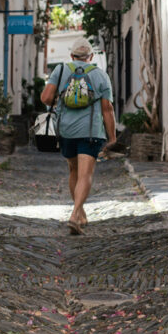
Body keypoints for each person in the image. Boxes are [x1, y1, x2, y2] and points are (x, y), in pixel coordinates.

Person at [41, 37, 117, 235]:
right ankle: (75, 214)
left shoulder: (60, 70)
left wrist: (59, 99)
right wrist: (112, 137)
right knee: (85, 174)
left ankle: (80, 213)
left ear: (71, 55)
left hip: (66, 131)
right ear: (90, 57)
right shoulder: (100, 75)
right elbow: (107, 109)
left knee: (74, 171)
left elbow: (46, 98)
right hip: (91, 132)